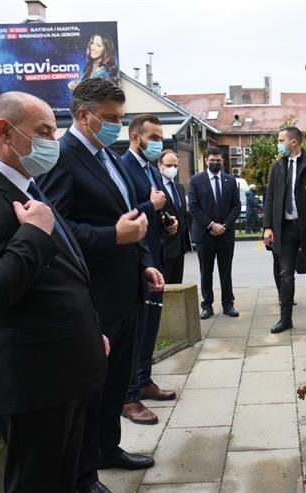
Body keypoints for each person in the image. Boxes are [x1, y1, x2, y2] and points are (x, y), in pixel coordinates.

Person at [0, 91, 107, 493]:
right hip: (34, 383)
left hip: (64, 368)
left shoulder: (27, 185)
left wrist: (88, 331)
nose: (54, 141)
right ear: (4, 131)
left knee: (61, 484)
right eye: (44, 131)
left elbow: (61, 275)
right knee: (35, 489)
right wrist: (32, 234)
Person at [37, 78, 164, 493]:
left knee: (115, 383)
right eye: (109, 118)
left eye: (120, 118)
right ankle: (83, 478)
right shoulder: (62, 157)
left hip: (126, 289)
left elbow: (129, 217)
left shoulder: (108, 156)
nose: (116, 126)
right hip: (93, 296)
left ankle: (108, 449)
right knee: (91, 389)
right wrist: (113, 237)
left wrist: (144, 262)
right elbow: (57, 229)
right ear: (82, 115)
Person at [118, 114, 176, 425]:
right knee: (136, 328)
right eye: (153, 138)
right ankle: (128, 394)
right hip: (136, 261)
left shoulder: (151, 169)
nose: (158, 143)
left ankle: (143, 380)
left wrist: (165, 221)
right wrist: (151, 207)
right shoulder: (123, 168)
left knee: (151, 324)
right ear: (135, 137)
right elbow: (124, 214)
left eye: (160, 138)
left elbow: (155, 209)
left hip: (155, 256)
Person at [263, 127, 306, 334]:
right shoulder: (277, 166)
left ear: (294, 142)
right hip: (285, 229)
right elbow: (270, 198)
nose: (278, 144)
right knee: (285, 274)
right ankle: (285, 319)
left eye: (281, 140)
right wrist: (268, 227)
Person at [188, 146, 241, 320]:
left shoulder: (230, 181)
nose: (215, 163)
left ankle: (228, 304)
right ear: (206, 161)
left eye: (218, 160)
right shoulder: (196, 181)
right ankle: (206, 305)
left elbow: (236, 206)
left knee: (226, 272)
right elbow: (193, 207)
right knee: (206, 272)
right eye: (212, 160)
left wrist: (224, 225)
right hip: (205, 235)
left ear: (223, 161)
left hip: (225, 234)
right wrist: (211, 225)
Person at [158, 149, 191, 283]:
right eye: (169, 165)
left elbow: (183, 214)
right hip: (164, 247)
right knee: (164, 287)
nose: (172, 168)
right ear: (160, 165)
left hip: (179, 247)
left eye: (175, 165)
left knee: (177, 285)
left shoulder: (179, 188)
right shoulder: (155, 187)